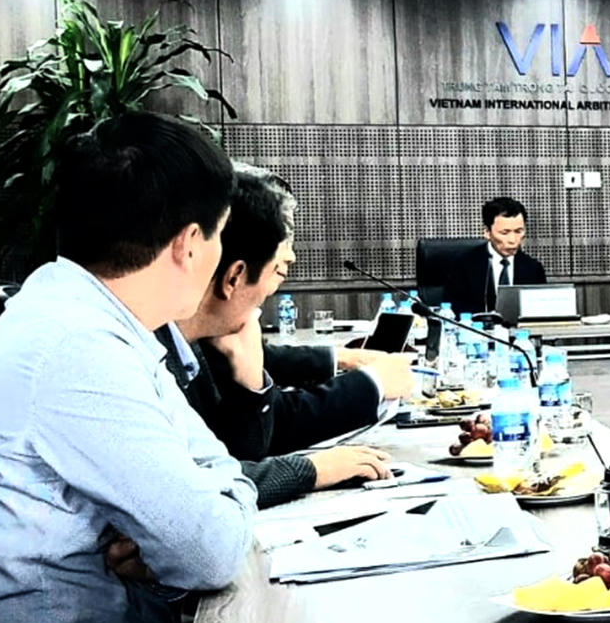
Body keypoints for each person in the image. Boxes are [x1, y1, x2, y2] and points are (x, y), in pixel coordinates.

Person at [0, 111, 255, 623]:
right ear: (189, 244)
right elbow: (211, 549)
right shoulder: (76, 347)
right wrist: (209, 518)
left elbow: (219, 469)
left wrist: (200, 522)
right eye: (220, 233)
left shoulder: (94, 318)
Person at [155, 164, 416, 507]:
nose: (287, 264)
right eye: (279, 266)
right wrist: (311, 470)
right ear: (234, 277)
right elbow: (193, 488)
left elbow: (234, 455)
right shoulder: (145, 353)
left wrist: (251, 383)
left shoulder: (193, 345)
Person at [436, 196, 548, 313]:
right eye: (505, 233)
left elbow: (540, 312)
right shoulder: (464, 266)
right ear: (487, 232)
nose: (513, 240)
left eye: (518, 231)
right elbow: (453, 310)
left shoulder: (533, 269)